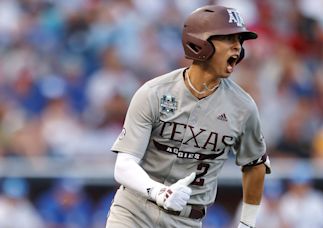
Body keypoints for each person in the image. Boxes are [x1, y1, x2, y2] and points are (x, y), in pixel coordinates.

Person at [106, 4, 271, 228]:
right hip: (134, 210)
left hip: (186, 219)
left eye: (239, 41)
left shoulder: (243, 107)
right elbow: (123, 165)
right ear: (199, 42)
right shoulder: (154, 92)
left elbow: (255, 165)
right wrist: (158, 191)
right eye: (228, 39)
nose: (237, 48)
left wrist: (247, 224)